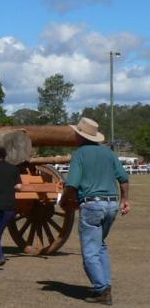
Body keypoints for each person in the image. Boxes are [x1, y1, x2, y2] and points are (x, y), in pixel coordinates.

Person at [61, 117, 130, 305]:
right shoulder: (109, 154)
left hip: (92, 204)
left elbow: (72, 184)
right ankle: (105, 284)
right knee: (100, 245)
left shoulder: (80, 154)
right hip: (112, 204)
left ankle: (102, 290)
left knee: (90, 251)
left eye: (76, 133)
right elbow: (123, 178)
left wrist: (67, 200)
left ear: (80, 136)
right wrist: (125, 199)